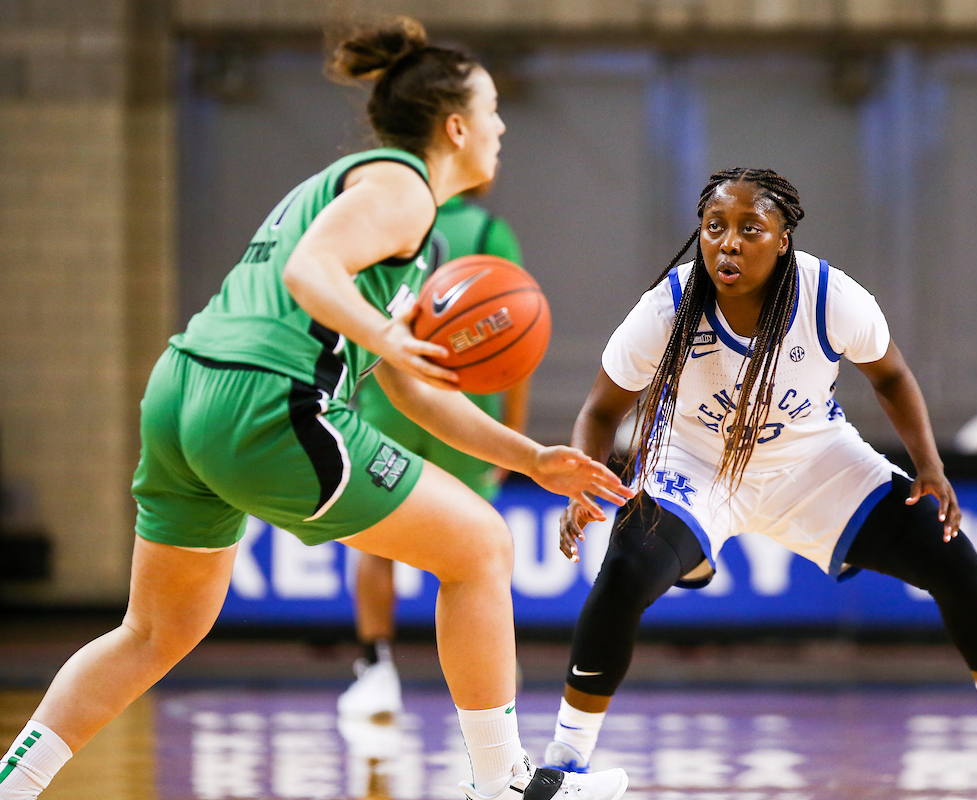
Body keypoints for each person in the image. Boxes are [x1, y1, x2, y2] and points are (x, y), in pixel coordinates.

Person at [0, 18, 634, 800]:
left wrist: (531, 458)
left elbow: (409, 386)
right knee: (478, 548)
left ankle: (12, 785)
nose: (503, 126)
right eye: (494, 109)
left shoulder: (377, 200)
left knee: (155, 630)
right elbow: (310, 270)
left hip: (183, 390)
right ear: (457, 126)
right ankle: (506, 784)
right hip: (265, 398)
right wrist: (384, 337)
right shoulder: (402, 186)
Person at [541, 168, 977, 799]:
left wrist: (930, 466)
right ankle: (567, 758)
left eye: (749, 229)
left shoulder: (830, 294)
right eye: (714, 228)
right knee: (622, 572)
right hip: (696, 468)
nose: (728, 243)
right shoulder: (668, 305)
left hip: (815, 464)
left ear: (782, 240)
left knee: (949, 553)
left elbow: (890, 377)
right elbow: (600, 410)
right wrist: (582, 483)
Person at [339, 185, 529, 720]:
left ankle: (376, 669)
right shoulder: (490, 233)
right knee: (476, 552)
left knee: (374, 545)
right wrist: (514, 430)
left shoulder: (385, 220)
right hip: (463, 412)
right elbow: (517, 332)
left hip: (385, 402)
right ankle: (491, 686)